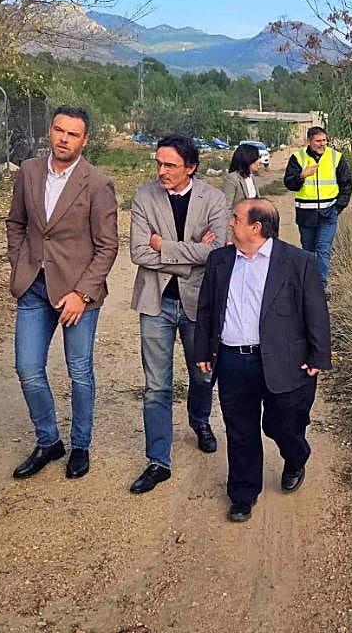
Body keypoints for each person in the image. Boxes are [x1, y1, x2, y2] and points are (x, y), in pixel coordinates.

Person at [192, 199, 331, 522]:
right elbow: (206, 309)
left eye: (236, 218)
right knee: (240, 430)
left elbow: (316, 312)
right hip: (232, 361)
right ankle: (242, 494)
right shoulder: (220, 260)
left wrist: (318, 355)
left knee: (282, 424)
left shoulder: (298, 262)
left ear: (256, 227)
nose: (230, 223)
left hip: (284, 360)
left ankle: (296, 456)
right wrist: (202, 352)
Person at [5, 106, 118, 481]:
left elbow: (107, 246)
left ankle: (80, 444)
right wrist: (19, 263)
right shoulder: (29, 171)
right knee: (27, 368)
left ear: (85, 140)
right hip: (34, 287)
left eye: (73, 133)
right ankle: (48, 439)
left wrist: (82, 294)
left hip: (76, 294)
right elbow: (16, 223)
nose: (64, 138)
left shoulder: (97, 184)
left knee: (80, 372)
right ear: (50, 131)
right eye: (59, 130)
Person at [127, 135, 228, 494]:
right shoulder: (144, 196)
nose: (161, 171)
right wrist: (191, 255)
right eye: (158, 163)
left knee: (203, 374)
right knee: (156, 385)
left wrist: (165, 248)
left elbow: (217, 251)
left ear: (190, 167)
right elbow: (139, 252)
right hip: (155, 302)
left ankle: (199, 421)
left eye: (170, 165)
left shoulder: (214, 199)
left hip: (199, 303)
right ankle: (158, 460)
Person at [282, 126, 352, 292]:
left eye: (324, 140)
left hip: (329, 213)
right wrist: (301, 176)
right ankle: (308, 282)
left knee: (323, 249)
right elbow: (289, 183)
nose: (322, 144)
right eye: (318, 141)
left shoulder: (335, 157)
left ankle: (320, 287)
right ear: (309, 141)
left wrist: (338, 207)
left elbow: (347, 184)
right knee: (308, 251)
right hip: (306, 214)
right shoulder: (298, 158)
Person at [222, 143, 262, 211]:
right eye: (256, 158)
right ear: (247, 159)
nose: (259, 161)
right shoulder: (232, 179)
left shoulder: (251, 176)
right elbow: (226, 208)